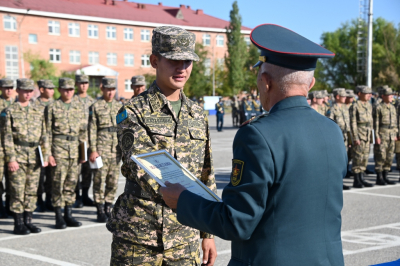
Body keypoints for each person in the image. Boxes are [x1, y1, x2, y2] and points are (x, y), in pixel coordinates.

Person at [161, 23, 345, 266]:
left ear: (266, 81)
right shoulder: (332, 130)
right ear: (309, 85)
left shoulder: (259, 135)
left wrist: (182, 200)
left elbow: (238, 222)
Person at [107, 26, 217, 266]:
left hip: (185, 237)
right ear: (155, 61)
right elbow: (143, 168)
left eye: (187, 61)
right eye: (174, 60)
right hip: (139, 237)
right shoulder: (132, 111)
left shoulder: (198, 114)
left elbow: (206, 174)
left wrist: (208, 232)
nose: (182, 68)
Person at [3, 78, 49, 235]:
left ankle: (29, 221)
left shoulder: (38, 110)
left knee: (31, 190)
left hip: (35, 156)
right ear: (18, 91)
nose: (28, 94)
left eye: (30, 91)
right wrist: (11, 158)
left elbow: (44, 135)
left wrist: (47, 154)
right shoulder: (10, 111)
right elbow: (6, 137)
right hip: (18, 156)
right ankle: (18, 223)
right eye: (25, 91)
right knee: (17, 190)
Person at [46, 78, 87, 229]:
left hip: (75, 150)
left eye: (70, 89)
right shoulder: (52, 107)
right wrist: (48, 154)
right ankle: (58, 217)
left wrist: (83, 154)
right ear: (59, 90)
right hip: (58, 149)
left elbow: (83, 132)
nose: (68, 92)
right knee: (58, 183)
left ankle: (68, 215)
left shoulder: (79, 107)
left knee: (71, 183)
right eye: (65, 89)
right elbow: (46, 133)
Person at [89, 78, 122, 222]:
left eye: (112, 89)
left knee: (113, 180)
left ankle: (109, 207)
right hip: (101, 149)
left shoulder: (120, 106)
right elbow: (91, 130)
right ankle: (100, 209)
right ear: (102, 89)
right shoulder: (96, 106)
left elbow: (124, 127)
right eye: (107, 89)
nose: (110, 92)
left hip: (116, 149)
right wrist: (93, 149)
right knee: (99, 179)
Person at [73, 74, 96, 208]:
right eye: (81, 83)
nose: (83, 85)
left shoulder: (92, 101)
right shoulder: (73, 100)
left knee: (87, 170)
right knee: (76, 170)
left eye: (85, 83)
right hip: (76, 141)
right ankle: (77, 196)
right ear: (76, 84)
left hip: (89, 140)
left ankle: (85, 194)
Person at [34, 79, 55, 213]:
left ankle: (49, 200)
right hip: (39, 146)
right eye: (49, 88)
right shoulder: (34, 105)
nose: (52, 91)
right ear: (42, 90)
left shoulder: (55, 104)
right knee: (39, 176)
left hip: (54, 144)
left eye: (53, 88)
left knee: (52, 176)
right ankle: (38, 200)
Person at [349, 85, 374, 188]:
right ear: (359, 94)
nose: (369, 95)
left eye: (370, 93)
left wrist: (371, 136)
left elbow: (371, 122)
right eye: (367, 93)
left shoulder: (369, 105)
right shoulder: (355, 106)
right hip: (359, 134)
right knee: (357, 158)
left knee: (364, 158)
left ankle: (362, 178)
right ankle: (356, 180)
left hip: (367, 134)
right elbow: (353, 123)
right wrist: (355, 137)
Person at [373, 86, 397, 185]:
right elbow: (375, 124)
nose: (391, 97)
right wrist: (377, 136)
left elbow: (395, 122)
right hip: (382, 134)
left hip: (391, 134)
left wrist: (395, 133)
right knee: (381, 156)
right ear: (383, 96)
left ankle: (386, 176)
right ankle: (379, 177)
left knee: (389, 156)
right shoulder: (378, 107)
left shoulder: (392, 107)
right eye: (389, 95)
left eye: (392, 95)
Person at [329, 88, 351, 190]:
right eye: (343, 96)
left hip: (345, 138)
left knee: (343, 161)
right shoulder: (332, 109)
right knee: (336, 161)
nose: (345, 98)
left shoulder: (345, 108)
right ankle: (337, 183)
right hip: (337, 139)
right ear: (337, 97)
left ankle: (341, 181)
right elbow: (329, 125)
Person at [0, 78, 15, 218]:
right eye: (5, 87)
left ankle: (11, 205)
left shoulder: (16, 103)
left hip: (13, 147)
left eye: (11, 87)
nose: (8, 90)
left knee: (12, 178)